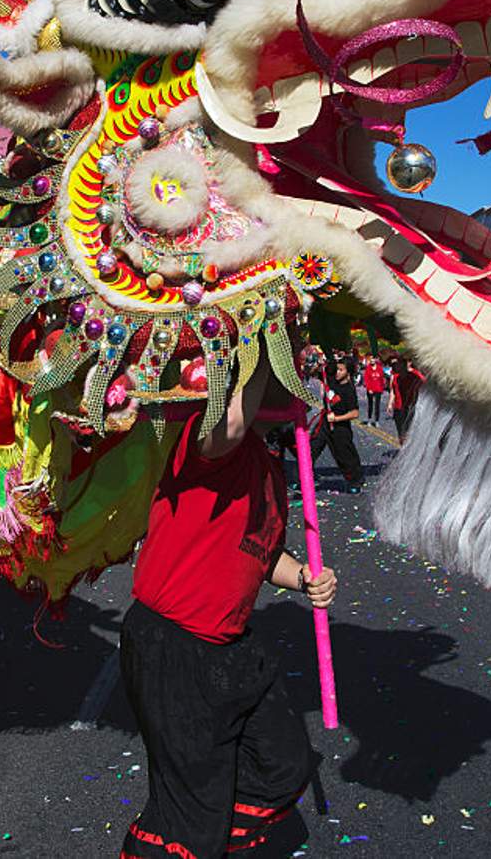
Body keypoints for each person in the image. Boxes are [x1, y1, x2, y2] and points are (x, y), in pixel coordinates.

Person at [117, 363, 336, 857]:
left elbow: (262, 551)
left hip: (231, 645)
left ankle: (207, 838)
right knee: (191, 815)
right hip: (171, 645)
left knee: (284, 765)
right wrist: (262, 335)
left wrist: (303, 578)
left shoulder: (267, 467)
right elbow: (231, 425)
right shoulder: (205, 439)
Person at [319, 358, 364, 494]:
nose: (337, 372)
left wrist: (337, 418)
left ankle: (355, 480)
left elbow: (355, 413)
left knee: (344, 455)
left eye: (341, 370)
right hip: (325, 424)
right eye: (337, 369)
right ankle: (300, 478)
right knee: (312, 447)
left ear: (348, 372)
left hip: (341, 428)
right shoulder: (332, 380)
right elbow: (322, 371)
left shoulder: (349, 390)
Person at [389, 356, 425, 446]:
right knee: (401, 432)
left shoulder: (415, 375)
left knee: (409, 431)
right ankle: (403, 448)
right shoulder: (396, 376)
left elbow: (424, 384)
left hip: (409, 407)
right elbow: (393, 390)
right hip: (398, 407)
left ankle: (407, 449)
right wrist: (390, 403)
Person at [361, 357, 385, 425]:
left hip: (378, 389)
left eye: (373, 360)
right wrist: (369, 389)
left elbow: (381, 379)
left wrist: (382, 388)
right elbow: (366, 379)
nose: (372, 361)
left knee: (377, 405)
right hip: (371, 389)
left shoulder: (379, 368)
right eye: (370, 360)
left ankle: (377, 421)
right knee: (370, 404)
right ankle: (369, 419)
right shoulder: (368, 369)